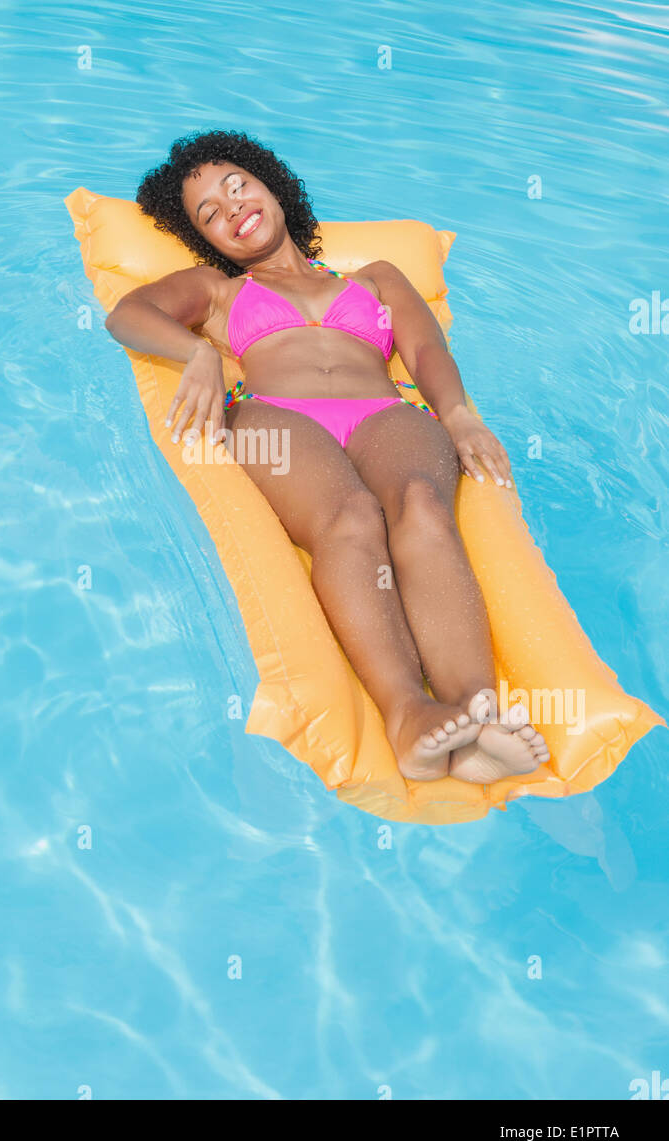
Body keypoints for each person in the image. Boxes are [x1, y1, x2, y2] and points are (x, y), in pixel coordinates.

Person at [105, 130, 551, 783]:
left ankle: (477, 714)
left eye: (237, 187)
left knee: (423, 507)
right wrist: (198, 352)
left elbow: (427, 353)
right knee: (350, 518)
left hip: (385, 415)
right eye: (209, 213)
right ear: (206, 239)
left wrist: (459, 418)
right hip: (277, 420)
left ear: (271, 185)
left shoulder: (376, 279)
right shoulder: (218, 289)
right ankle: (408, 717)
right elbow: (128, 314)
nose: (231, 208)